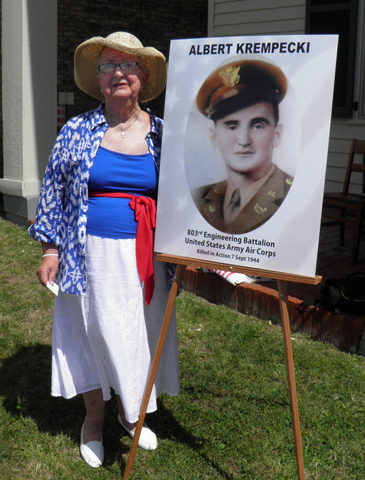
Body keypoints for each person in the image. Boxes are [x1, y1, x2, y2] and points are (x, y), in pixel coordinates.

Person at [28, 32, 180, 468]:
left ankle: (129, 414)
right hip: (87, 253)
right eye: (109, 65)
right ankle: (94, 418)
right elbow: (53, 192)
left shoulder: (163, 135)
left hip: (147, 256)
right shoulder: (77, 130)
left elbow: (183, 197)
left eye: (127, 65)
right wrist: (50, 250)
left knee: (140, 334)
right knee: (91, 332)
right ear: (98, 78)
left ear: (143, 76)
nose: (118, 73)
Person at [192, 59, 293, 234]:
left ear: (276, 134)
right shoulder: (199, 197)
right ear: (214, 137)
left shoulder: (294, 195)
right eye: (232, 126)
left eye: (257, 125)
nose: (244, 140)